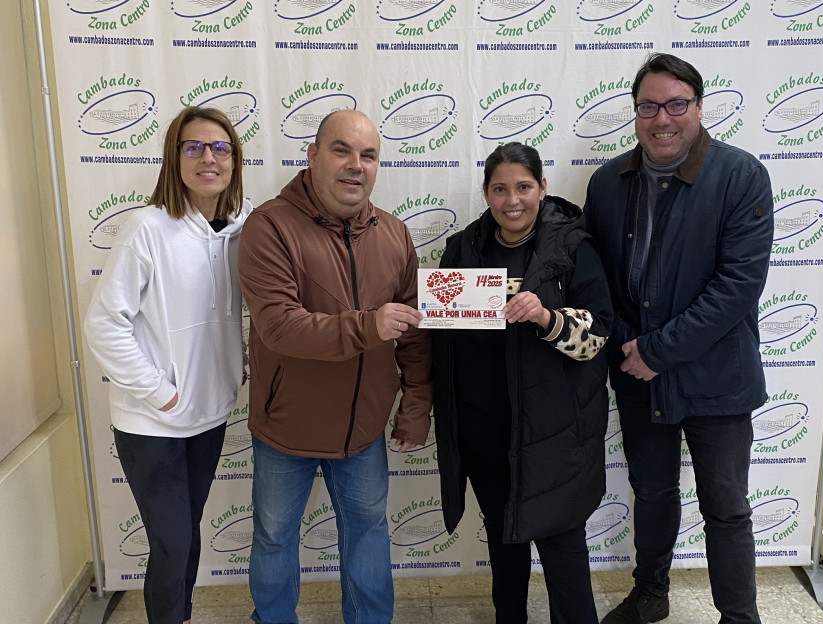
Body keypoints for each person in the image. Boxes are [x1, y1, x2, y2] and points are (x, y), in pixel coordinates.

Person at [583, 53, 774, 624]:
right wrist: (627, 347)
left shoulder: (740, 176)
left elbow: (737, 286)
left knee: (726, 508)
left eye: (675, 104)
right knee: (654, 494)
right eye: (648, 106)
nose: (661, 118)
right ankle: (651, 594)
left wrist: (655, 352)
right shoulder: (606, 183)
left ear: (697, 106)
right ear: (635, 112)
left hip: (717, 379)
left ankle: (740, 617)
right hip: (636, 375)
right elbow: (598, 283)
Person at [237, 109, 432, 624]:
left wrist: (415, 406)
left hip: (363, 430)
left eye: (368, 155)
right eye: (342, 150)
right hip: (286, 429)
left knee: (368, 531)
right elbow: (280, 325)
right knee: (275, 537)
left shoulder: (394, 233)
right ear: (313, 156)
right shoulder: (269, 226)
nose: (356, 165)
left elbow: (413, 332)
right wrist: (369, 325)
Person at [433, 142, 614, 624]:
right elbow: (447, 338)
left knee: (562, 545)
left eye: (523, 187)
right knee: (503, 538)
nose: (512, 200)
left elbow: (599, 335)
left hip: (554, 436)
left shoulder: (575, 248)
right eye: (500, 189)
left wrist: (547, 318)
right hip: (486, 432)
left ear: (542, 188)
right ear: (487, 193)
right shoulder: (462, 248)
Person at [83, 106, 250, 624]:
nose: (208, 158)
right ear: (173, 159)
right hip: (151, 422)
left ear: (234, 162)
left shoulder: (242, 231)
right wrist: (159, 391)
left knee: (187, 538)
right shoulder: (146, 228)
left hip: (208, 416)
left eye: (220, 148)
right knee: (173, 543)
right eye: (193, 147)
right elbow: (103, 323)